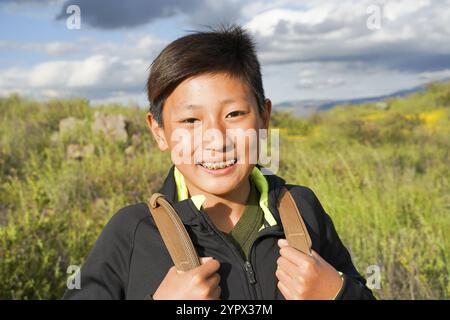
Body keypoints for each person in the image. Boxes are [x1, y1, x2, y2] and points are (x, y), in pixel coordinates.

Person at [63, 25, 375, 300]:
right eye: (190, 120)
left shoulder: (301, 208)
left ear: (264, 117)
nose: (216, 139)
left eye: (234, 114)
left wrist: (338, 293)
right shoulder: (132, 232)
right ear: (159, 132)